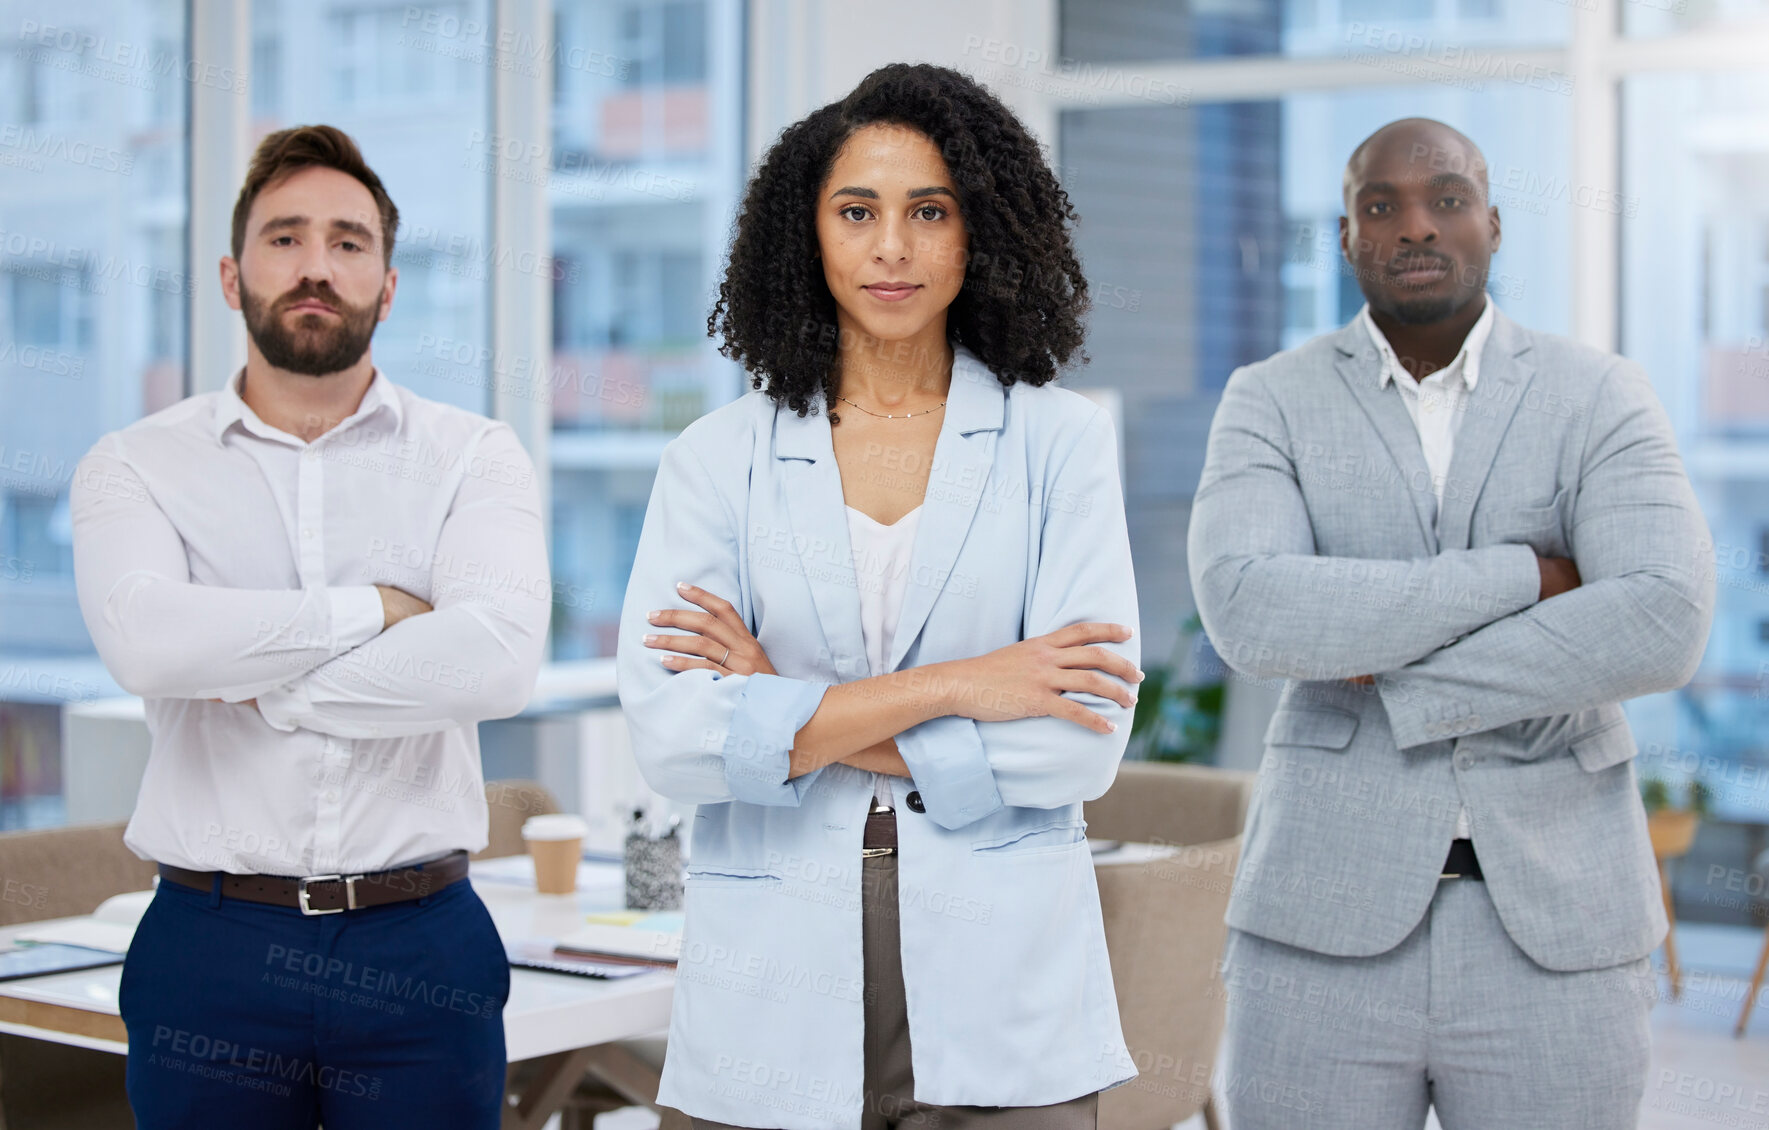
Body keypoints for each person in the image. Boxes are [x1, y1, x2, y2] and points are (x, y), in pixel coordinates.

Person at [616, 63, 1143, 1130]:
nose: (890, 248)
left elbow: (1073, 748)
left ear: (978, 233)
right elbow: (674, 740)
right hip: (771, 977)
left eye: (928, 212)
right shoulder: (715, 459)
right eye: (856, 212)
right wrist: (968, 683)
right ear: (806, 235)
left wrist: (782, 707)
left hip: (1002, 977)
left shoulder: (1060, 445)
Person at [1188, 117, 1715, 1129]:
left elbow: (1661, 612)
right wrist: (1525, 571)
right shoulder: (1267, 399)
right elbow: (1252, 613)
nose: (1413, 224)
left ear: (1493, 224)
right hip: (1316, 927)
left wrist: (1389, 675)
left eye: (1444, 197)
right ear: (1344, 238)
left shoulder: (1598, 393)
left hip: (1557, 931)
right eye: (1377, 205)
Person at [71, 124, 550, 1129]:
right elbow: (149, 645)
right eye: (284, 238)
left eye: (348, 240)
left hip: (419, 944)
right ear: (229, 273)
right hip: (211, 944)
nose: (316, 267)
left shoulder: (473, 455)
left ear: (387, 279)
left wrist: (260, 675)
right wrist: (372, 611)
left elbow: (496, 660)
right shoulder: (137, 463)